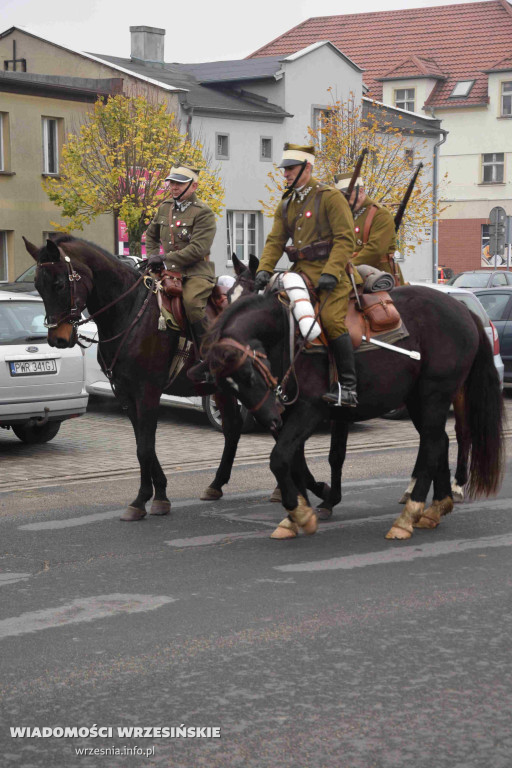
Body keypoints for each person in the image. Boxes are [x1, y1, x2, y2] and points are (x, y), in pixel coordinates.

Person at [255, 143, 359, 407]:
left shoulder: (330, 197)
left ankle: (348, 387)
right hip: (300, 273)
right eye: (285, 169)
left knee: (331, 320)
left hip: (330, 274)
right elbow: (275, 240)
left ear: (307, 167)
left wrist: (333, 272)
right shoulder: (288, 202)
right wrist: (264, 269)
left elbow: (346, 239)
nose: (286, 174)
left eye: (290, 169)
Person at [144, 165, 217, 372]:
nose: (173, 187)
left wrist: (164, 258)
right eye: (172, 182)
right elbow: (150, 235)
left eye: (179, 183)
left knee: (193, 304)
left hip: (195, 272)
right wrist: (152, 257)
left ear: (193, 186)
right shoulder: (165, 207)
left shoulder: (204, 213)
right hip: (164, 269)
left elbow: (197, 249)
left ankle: (207, 358)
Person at [335, 173, 405, 285]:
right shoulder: (348, 215)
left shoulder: (380, 214)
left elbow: (375, 250)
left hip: (380, 278)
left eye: (347, 195)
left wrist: (347, 266)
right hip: (355, 276)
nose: (344, 199)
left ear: (361, 191)